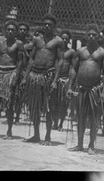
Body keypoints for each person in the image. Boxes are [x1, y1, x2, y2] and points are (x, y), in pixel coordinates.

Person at [21, 13, 64, 145]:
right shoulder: (37, 40)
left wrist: (55, 81)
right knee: (34, 106)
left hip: (48, 76)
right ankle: (36, 135)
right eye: (45, 24)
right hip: (35, 75)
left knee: (48, 107)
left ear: (54, 26)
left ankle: (47, 137)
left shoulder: (58, 41)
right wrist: (25, 77)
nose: (46, 26)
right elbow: (31, 59)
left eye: (49, 24)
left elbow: (60, 61)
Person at [67, 24, 104, 155]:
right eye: (89, 34)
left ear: (98, 37)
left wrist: (103, 91)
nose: (91, 36)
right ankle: (80, 144)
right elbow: (74, 69)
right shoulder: (80, 52)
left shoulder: (103, 53)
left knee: (93, 118)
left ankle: (91, 145)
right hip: (81, 89)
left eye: (94, 35)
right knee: (80, 117)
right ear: (86, 36)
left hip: (94, 90)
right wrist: (69, 86)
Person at [0, 20, 24, 139]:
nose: (10, 31)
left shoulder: (19, 44)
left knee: (9, 105)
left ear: (16, 32)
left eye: (13, 30)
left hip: (11, 73)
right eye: (8, 29)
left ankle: (9, 132)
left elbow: (20, 62)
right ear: (5, 30)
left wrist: (15, 78)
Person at [52, 29, 76, 131]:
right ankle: (55, 122)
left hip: (65, 80)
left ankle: (61, 123)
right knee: (53, 102)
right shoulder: (55, 50)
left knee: (63, 103)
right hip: (54, 78)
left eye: (67, 39)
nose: (65, 40)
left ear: (69, 40)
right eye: (63, 39)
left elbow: (73, 68)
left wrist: (70, 82)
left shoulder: (71, 52)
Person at [14, 21, 32, 125]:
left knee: (20, 95)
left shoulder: (29, 45)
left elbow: (31, 59)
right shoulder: (13, 42)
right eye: (20, 29)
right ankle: (9, 115)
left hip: (23, 71)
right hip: (12, 69)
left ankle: (16, 117)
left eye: (24, 30)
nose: (22, 31)